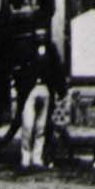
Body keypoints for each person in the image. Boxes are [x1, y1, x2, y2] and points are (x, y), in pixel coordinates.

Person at [14, 35, 66, 172]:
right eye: (38, 31)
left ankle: (37, 158)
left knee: (41, 126)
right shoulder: (26, 48)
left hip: (45, 90)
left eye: (44, 31)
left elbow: (57, 70)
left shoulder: (51, 50)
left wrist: (61, 90)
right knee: (28, 125)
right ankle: (25, 157)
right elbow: (18, 70)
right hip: (30, 91)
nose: (41, 34)